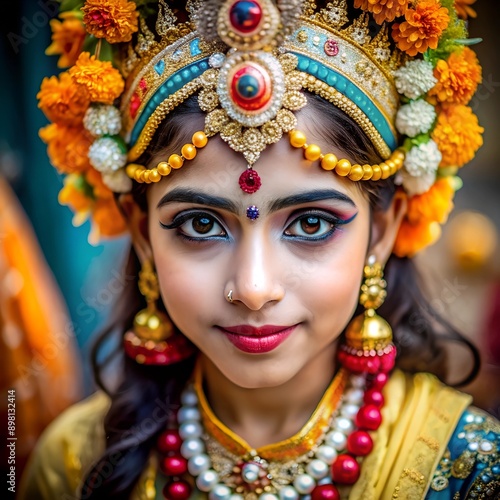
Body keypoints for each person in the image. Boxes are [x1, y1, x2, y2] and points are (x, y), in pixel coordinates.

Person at [18, 0, 499, 499]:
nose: (253, 289)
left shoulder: (471, 468)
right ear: (142, 235)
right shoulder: (73, 464)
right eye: (201, 224)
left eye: (311, 224)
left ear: (382, 230)